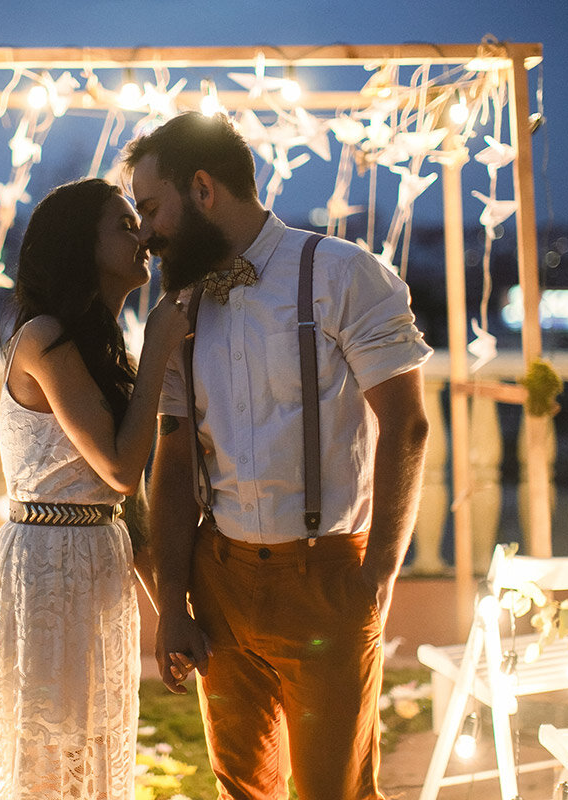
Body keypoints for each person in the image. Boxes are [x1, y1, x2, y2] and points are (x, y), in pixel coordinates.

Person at [122, 112, 432, 800]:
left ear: (202, 188)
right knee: (241, 789)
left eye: (150, 208)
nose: (144, 233)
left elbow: (406, 426)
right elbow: (172, 459)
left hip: (326, 579)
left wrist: (375, 575)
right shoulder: (178, 305)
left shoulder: (344, 274)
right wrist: (173, 600)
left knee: (335, 791)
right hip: (220, 578)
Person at [0, 178, 188, 800]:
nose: (141, 236)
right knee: (45, 763)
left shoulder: (104, 350)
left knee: (89, 751)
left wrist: (171, 614)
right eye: (122, 224)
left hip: (98, 562)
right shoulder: (43, 338)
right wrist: (161, 343)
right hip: (46, 569)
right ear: (81, 247)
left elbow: (120, 507)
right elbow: (118, 468)